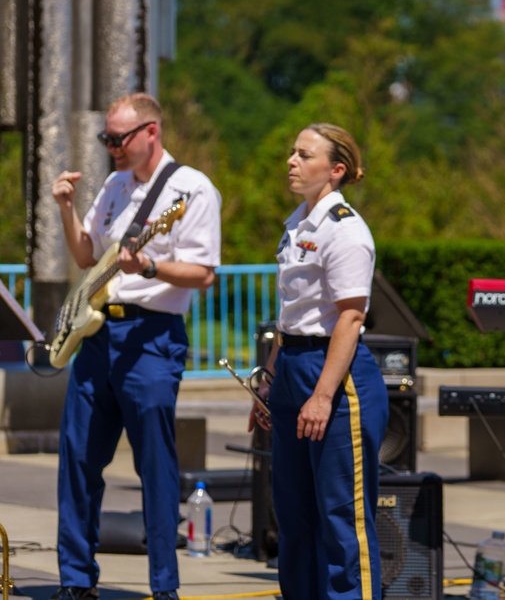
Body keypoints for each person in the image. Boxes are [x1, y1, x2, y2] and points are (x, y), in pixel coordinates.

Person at [49, 93, 221, 600]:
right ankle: (76, 583)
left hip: (151, 337)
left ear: (151, 132)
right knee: (77, 459)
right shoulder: (114, 184)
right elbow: (87, 256)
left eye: (119, 139)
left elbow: (203, 273)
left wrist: (149, 266)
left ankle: (163, 588)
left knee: (155, 467)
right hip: (99, 335)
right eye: (107, 139)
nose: (112, 148)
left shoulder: (191, 189)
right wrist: (66, 208)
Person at [249, 123, 388, 600]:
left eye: (304, 155)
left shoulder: (346, 229)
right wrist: (268, 381)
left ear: (336, 170)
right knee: (293, 515)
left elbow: (350, 317)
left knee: (341, 518)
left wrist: (322, 396)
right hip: (292, 365)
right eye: (292, 152)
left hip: (334, 375)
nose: (291, 160)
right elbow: (291, 318)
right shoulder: (298, 222)